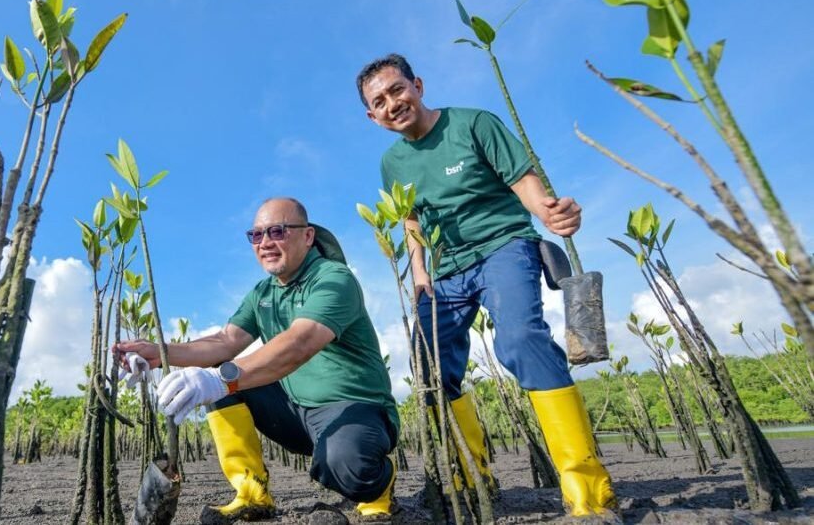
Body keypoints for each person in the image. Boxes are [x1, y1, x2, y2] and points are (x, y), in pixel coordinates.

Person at [356, 53, 617, 517]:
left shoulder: (473, 123)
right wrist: (419, 274)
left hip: (504, 246)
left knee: (521, 341)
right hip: (444, 270)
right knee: (431, 368)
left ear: (417, 84)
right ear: (372, 116)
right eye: (380, 101)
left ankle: (589, 494)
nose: (393, 103)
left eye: (398, 89)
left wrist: (550, 212)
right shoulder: (392, 163)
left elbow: (522, 180)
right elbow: (410, 221)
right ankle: (474, 478)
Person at [114, 197, 400, 522]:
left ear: (307, 236)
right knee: (219, 379)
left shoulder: (334, 279)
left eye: (277, 231)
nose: (265, 243)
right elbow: (224, 342)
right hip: (294, 412)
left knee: (346, 466)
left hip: (355, 408)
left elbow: (300, 342)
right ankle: (252, 493)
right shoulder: (262, 294)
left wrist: (221, 379)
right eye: (256, 235)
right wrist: (157, 351)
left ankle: (378, 488)